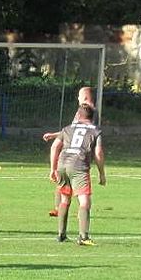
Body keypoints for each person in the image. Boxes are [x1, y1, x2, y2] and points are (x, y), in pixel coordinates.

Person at [49, 103, 105, 246]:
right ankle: (83, 237)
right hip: (79, 166)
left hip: (62, 164)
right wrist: (101, 174)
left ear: (78, 115)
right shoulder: (95, 131)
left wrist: (53, 168)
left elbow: (54, 146)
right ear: (92, 117)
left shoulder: (67, 128)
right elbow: (98, 153)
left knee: (64, 199)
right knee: (84, 202)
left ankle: (61, 234)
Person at [43, 86, 98, 217]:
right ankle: (60, 208)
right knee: (63, 175)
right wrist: (55, 135)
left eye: (79, 96)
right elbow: (72, 130)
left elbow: (81, 132)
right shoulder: (83, 111)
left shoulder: (88, 112)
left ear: (85, 97)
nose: (78, 98)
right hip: (75, 151)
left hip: (79, 153)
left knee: (76, 181)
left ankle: (80, 210)